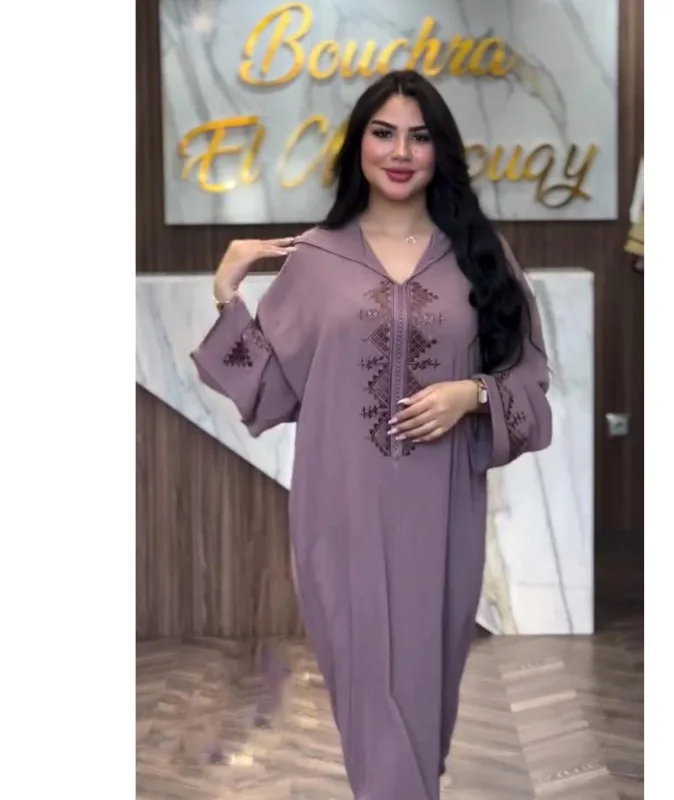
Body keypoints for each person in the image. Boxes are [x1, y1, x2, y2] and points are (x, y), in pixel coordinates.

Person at [191, 69, 552, 800]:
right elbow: (268, 391)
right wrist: (228, 295)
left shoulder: (479, 253)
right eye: (384, 133)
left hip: (441, 517)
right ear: (359, 144)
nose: (401, 152)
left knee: (424, 694)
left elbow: (531, 383)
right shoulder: (318, 259)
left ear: (440, 150)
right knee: (366, 690)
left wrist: (472, 394)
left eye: (419, 137)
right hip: (340, 514)